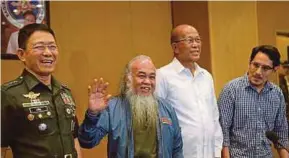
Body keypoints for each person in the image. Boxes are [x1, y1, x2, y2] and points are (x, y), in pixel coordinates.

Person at [1, 23, 82, 158]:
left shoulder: (64, 92)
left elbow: (73, 139)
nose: (48, 53)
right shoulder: (8, 94)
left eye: (52, 47)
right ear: (22, 54)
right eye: (39, 47)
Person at [78, 55, 183, 158]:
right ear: (128, 80)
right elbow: (87, 141)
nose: (147, 82)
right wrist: (92, 115)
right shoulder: (113, 108)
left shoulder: (167, 109)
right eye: (141, 76)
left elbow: (177, 149)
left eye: (152, 77)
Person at [155, 24, 223, 158]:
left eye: (198, 40)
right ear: (175, 47)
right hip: (181, 153)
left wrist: (216, 150)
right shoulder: (162, 76)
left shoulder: (206, 76)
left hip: (209, 153)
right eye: (190, 40)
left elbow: (214, 117)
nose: (196, 45)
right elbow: (157, 120)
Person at [218, 45, 289, 158]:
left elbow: (281, 132)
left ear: (275, 69)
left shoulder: (277, 93)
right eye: (255, 65)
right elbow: (222, 132)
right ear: (249, 63)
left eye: (265, 68)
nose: (258, 72)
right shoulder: (231, 89)